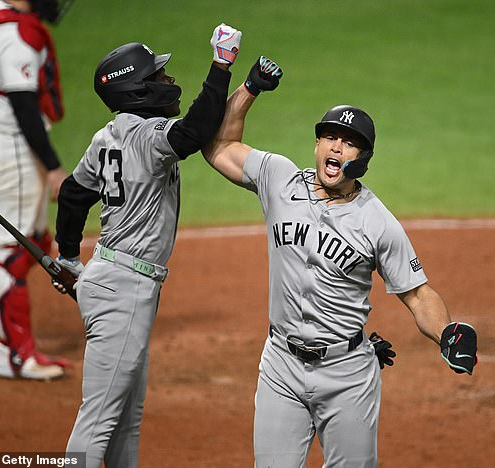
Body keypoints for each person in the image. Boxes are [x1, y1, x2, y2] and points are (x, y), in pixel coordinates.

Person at [202, 57, 479, 467]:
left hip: (347, 375)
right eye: (329, 137)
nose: (336, 146)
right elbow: (219, 147)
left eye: (349, 142)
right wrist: (250, 89)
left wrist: (447, 332)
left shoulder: (377, 221)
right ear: (316, 146)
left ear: (363, 157)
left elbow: (418, 294)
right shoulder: (279, 179)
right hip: (281, 366)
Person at [52, 23, 241, 467]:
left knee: (124, 419)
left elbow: (73, 195)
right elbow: (193, 132)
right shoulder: (146, 135)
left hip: (112, 279)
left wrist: (66, 256)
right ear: (138, 90)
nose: (166, 82)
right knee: (99, 421)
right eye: (157, 78)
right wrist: (221, 65)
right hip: (123, 289)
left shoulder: (107, 137)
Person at [0, 0, 72, 380]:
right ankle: (15, 355)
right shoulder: (17, 37)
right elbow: (23, 109)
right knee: (12, 252)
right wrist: (53, 168)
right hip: (14, 152)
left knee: (25, 241)